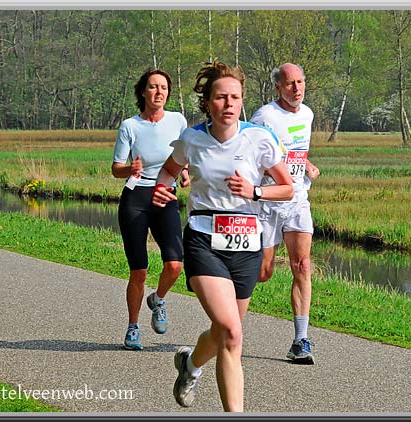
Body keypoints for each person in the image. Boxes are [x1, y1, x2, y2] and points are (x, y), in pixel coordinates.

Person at [152, 61, 294, 412]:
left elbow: (287, 188)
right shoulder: (192, 139)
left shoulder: (260, 139)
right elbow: (169, 171)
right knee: (232, 332)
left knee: (223, 332)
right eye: (221, 97)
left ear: (242, 100)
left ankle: (189, 365)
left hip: (247, 242)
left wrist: (255, 192)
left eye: (235, 97)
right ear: (208, 102)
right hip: (203, 238)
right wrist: (161, 188)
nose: (229, 103)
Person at [111, 69, 189, 350]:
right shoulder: (130, 126)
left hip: (165, 193)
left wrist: (185, 172)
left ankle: (158, 299)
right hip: (136, 196)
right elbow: (116, 169)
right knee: (139, 270)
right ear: (143, 91)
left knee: (175, 264)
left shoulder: (178, 121)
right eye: (153, 87)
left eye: (164, 88)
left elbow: (183, 156)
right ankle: (133, 327)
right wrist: (129, 168)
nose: (159, 92)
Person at [249, 63, 320, 364]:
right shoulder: (264, 117)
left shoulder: (307, 114)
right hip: (267, 202)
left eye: (301, 82)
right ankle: (227, 316)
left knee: (302, 265)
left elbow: (293, 149)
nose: (297, 89)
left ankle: (300, 340)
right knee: (262, 273)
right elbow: (250, 152)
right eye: (290, 84)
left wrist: (306, 166)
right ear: (278, 87)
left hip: (296, 199)